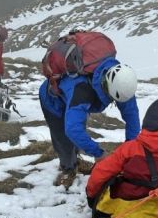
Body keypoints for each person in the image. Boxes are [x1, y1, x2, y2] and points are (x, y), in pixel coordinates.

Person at [39, 53, 140, 186]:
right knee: (64, 137)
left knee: (78, 128)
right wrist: (99, 154)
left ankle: (75, 159)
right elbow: (73, 130)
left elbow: (132, 115)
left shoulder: (121, 83)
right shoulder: (82, 91)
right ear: (107, 87)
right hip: (53, 101)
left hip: (76, 100)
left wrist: (129, 151)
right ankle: (68, 169)